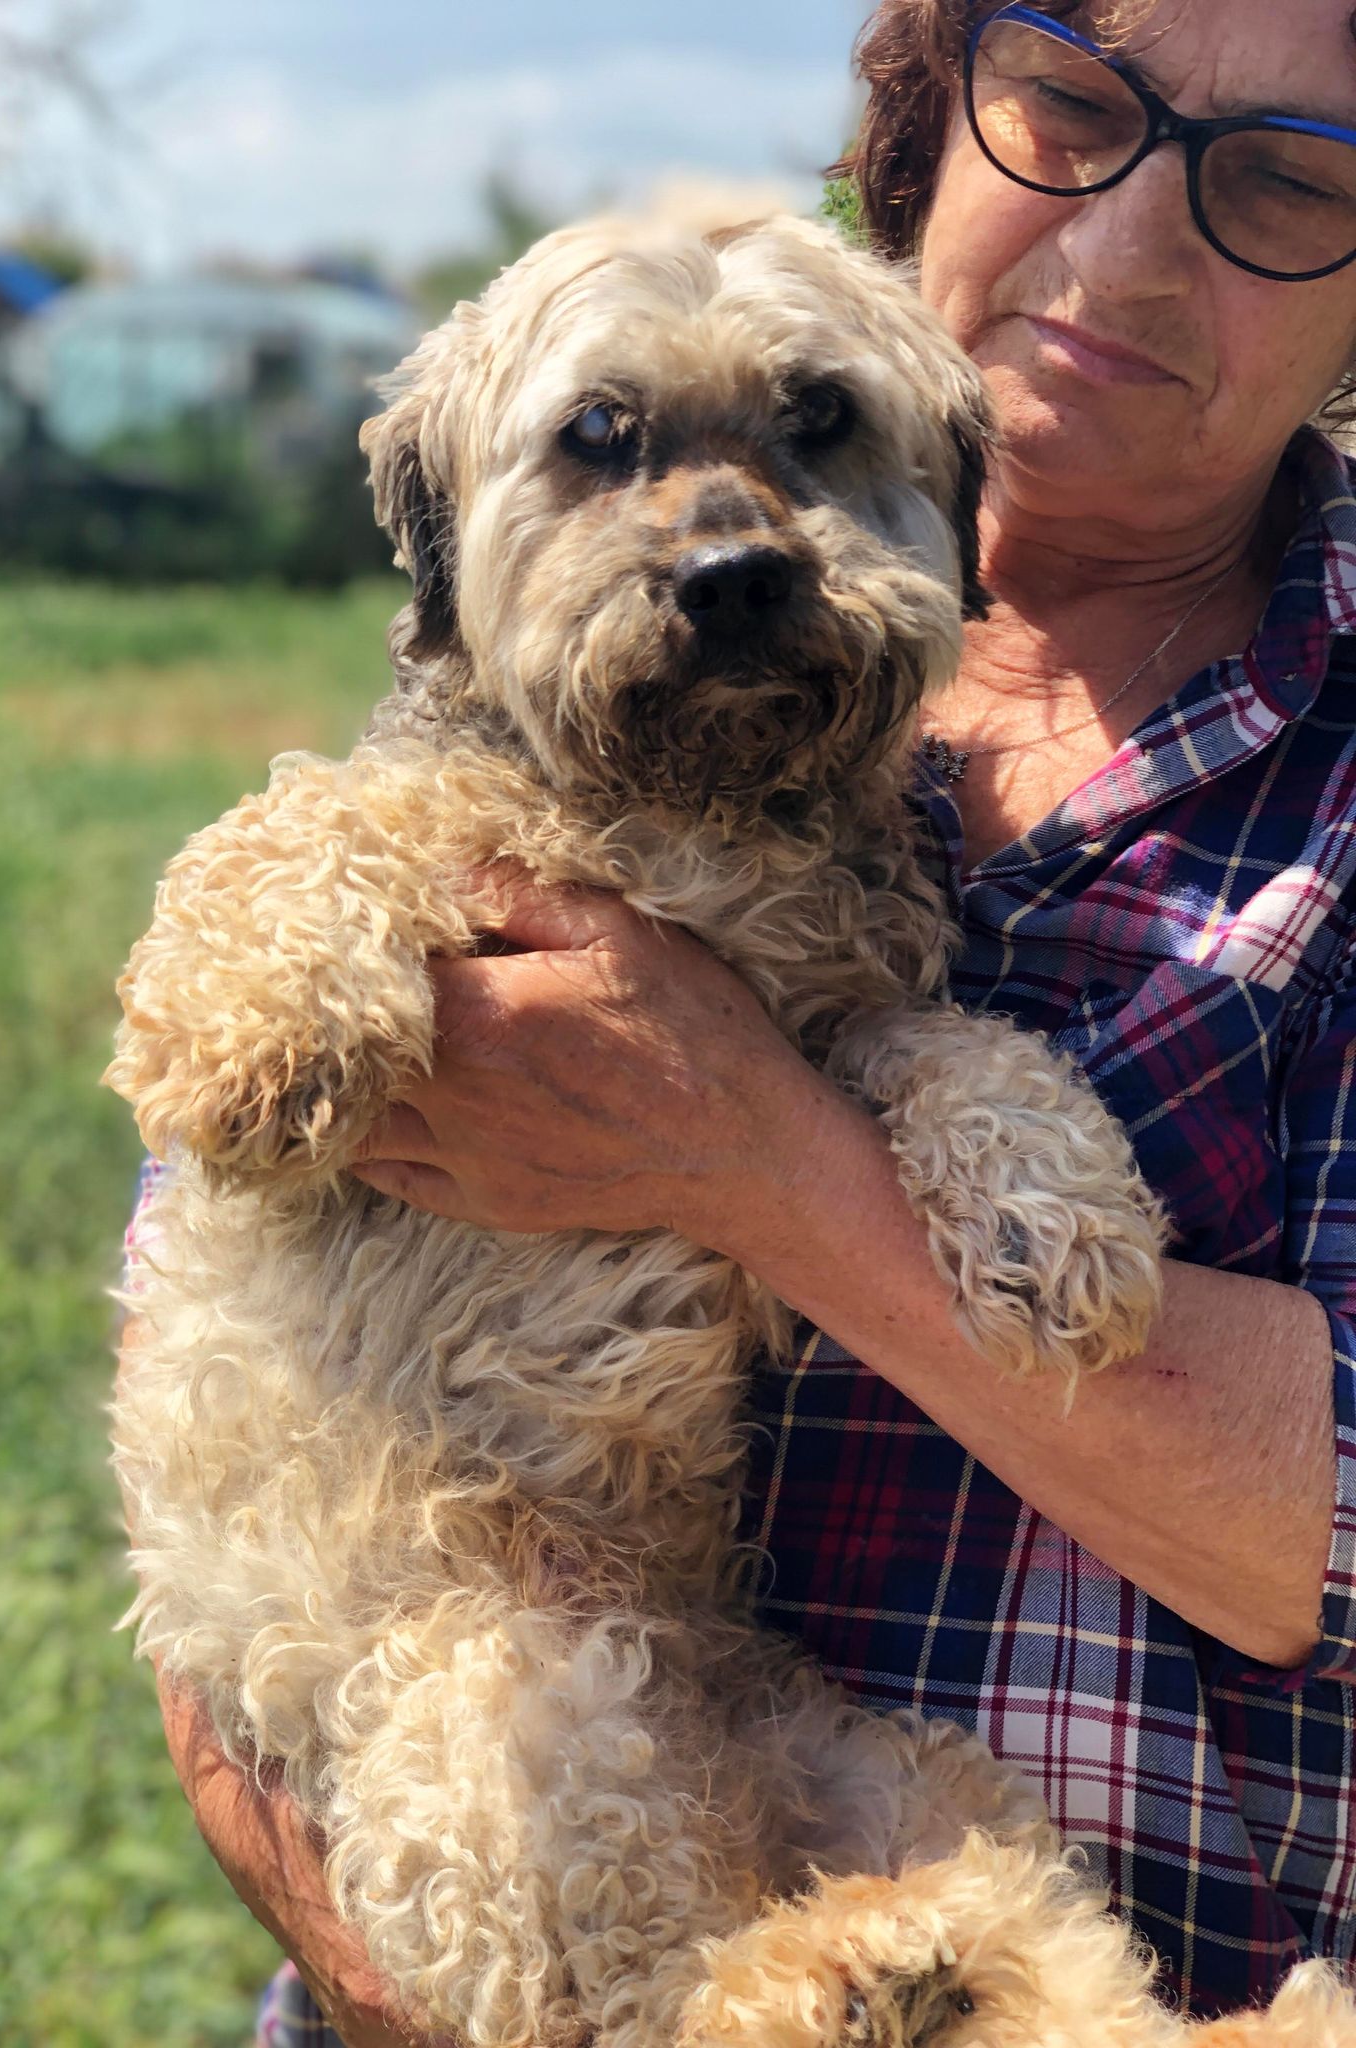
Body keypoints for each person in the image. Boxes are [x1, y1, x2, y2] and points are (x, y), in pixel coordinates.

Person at [127, 0, 1356, 2031]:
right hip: (461, 1770)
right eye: (1068, 101)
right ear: (933, 112)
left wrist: (763, 1156)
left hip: (866, 1816)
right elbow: (209, 1278)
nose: (1132, 248)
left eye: (1292, 181)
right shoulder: (435, 811)